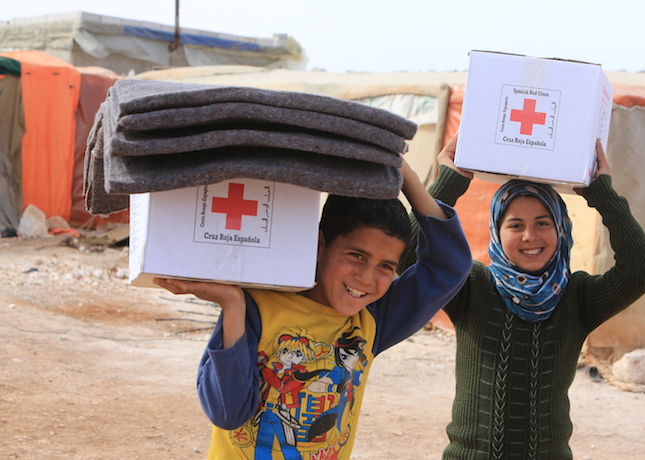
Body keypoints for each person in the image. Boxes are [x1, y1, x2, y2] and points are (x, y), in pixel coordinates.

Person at [154, 156, 473, 460]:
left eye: (386, 266)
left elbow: (450, 266)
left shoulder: (373, 323)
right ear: (319, 245)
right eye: (357, 256)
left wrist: (408, 179)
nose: (366, 278)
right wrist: (233, 303)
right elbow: (228, 412)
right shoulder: (258, 307)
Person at [399, 137, 645, 459]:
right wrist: (449, 183)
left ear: (561, 228)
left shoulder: (578, 297)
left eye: (543, 223)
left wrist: (601, 194)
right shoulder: (472, 285)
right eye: (515, 225)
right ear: (497, 230)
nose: (529, 236)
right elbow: (403, 259)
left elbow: (640, 272)